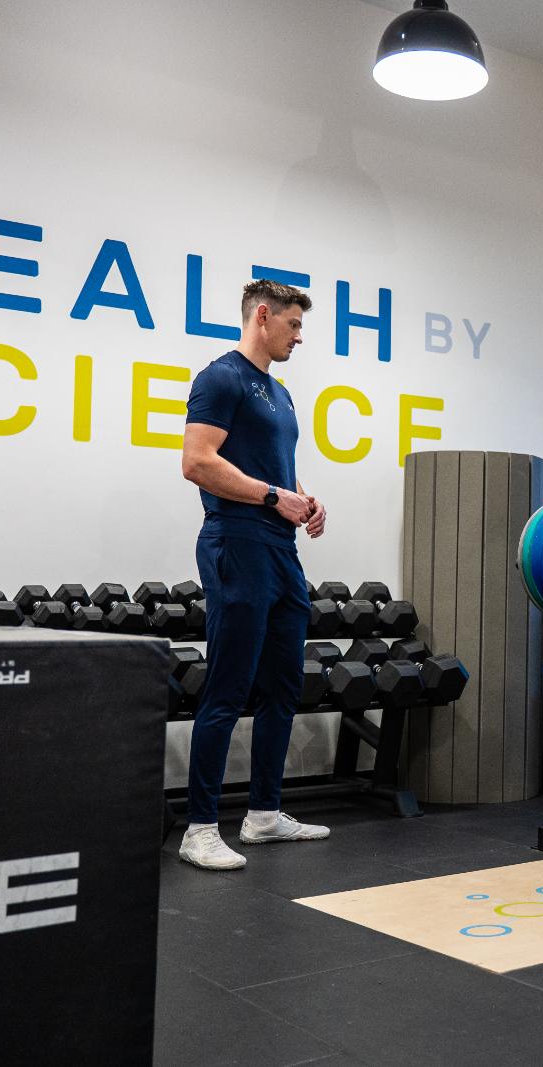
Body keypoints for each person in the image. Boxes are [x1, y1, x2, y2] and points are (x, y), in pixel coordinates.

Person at [176, 279, 331, 870]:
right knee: (229, 687)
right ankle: (199, 829)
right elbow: (196, 462)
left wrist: (301, 500)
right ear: (262, 317)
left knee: (283, 686)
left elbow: (271, 475)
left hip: (280, 549)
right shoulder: (220, 378)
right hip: (236, 544)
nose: (298, 336)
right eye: (292, 325)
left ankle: (264, 814)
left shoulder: (280, 393)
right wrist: (272, 497)